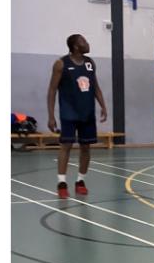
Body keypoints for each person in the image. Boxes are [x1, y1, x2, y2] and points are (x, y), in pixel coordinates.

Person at [46, 34, 108, 199]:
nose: (87, 44)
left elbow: (95, 85)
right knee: (66, 145)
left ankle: (80, 181)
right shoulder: (61, 64)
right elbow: (52, 90)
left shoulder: (90, 63)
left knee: (86, 147)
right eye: (84, 42)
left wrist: (103, 105)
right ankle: (61, 182)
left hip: (87, 112)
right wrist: (51, 116)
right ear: (75, 46)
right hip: (69, 112)